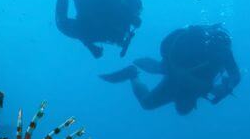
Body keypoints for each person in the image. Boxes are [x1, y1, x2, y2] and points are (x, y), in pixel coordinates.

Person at [101, 24, 241, 115]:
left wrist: (228, 87)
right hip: (176, 71)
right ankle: (133, 72)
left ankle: (134, 72)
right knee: (156, 81)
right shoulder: (213, 52)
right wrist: (215, 88)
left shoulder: (223, 53)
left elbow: (235, 75)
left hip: (183, 74)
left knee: (150, 99)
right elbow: (180, 74)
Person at [26, 0, 142, 58]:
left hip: (90, 9)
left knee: (85, 13)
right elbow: (88, 30)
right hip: (89, 13)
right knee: (62, 24)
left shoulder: (119, 14)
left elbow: (93, 29)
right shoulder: (119, 19)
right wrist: (90, 46)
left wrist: (91, 46)